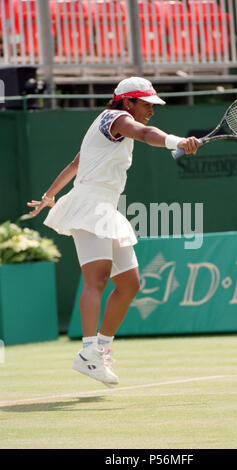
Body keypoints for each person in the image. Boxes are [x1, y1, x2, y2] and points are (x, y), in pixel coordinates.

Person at [26, 77, 200, 387]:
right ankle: (87, 351)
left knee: (130, 283)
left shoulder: (107, 128)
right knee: (98, 278)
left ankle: (101, 349)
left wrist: (50, 196)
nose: (151, 110)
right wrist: (176, 141)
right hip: (90, 205)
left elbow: (77, 162)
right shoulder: (115, 118)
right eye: (146, 104)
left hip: (106, 207)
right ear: (127, 102)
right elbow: (145, 133)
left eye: (152, 105)